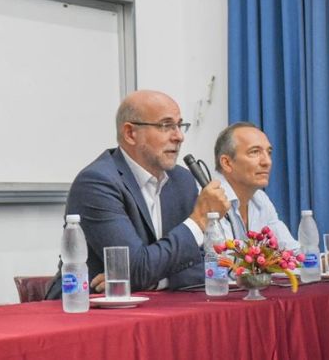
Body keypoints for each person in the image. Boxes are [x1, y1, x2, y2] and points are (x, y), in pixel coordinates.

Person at [45, 90, 230, 298]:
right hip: (86, 311)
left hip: (151, 306)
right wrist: (198, 220)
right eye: (166, 125)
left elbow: (207, 267)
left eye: (179, 125)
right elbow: (137, 267)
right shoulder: (97, 183)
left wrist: (148, 279)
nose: (179, 136)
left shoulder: (182, 180)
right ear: (130, 133)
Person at [214, 122, 329, 272]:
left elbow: (291, 254)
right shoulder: (207, 199)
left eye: (269, 152)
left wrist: (328, 261)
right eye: (254, 152)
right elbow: (226, 269)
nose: (267, 161)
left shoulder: (260, 199)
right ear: (227, 163)